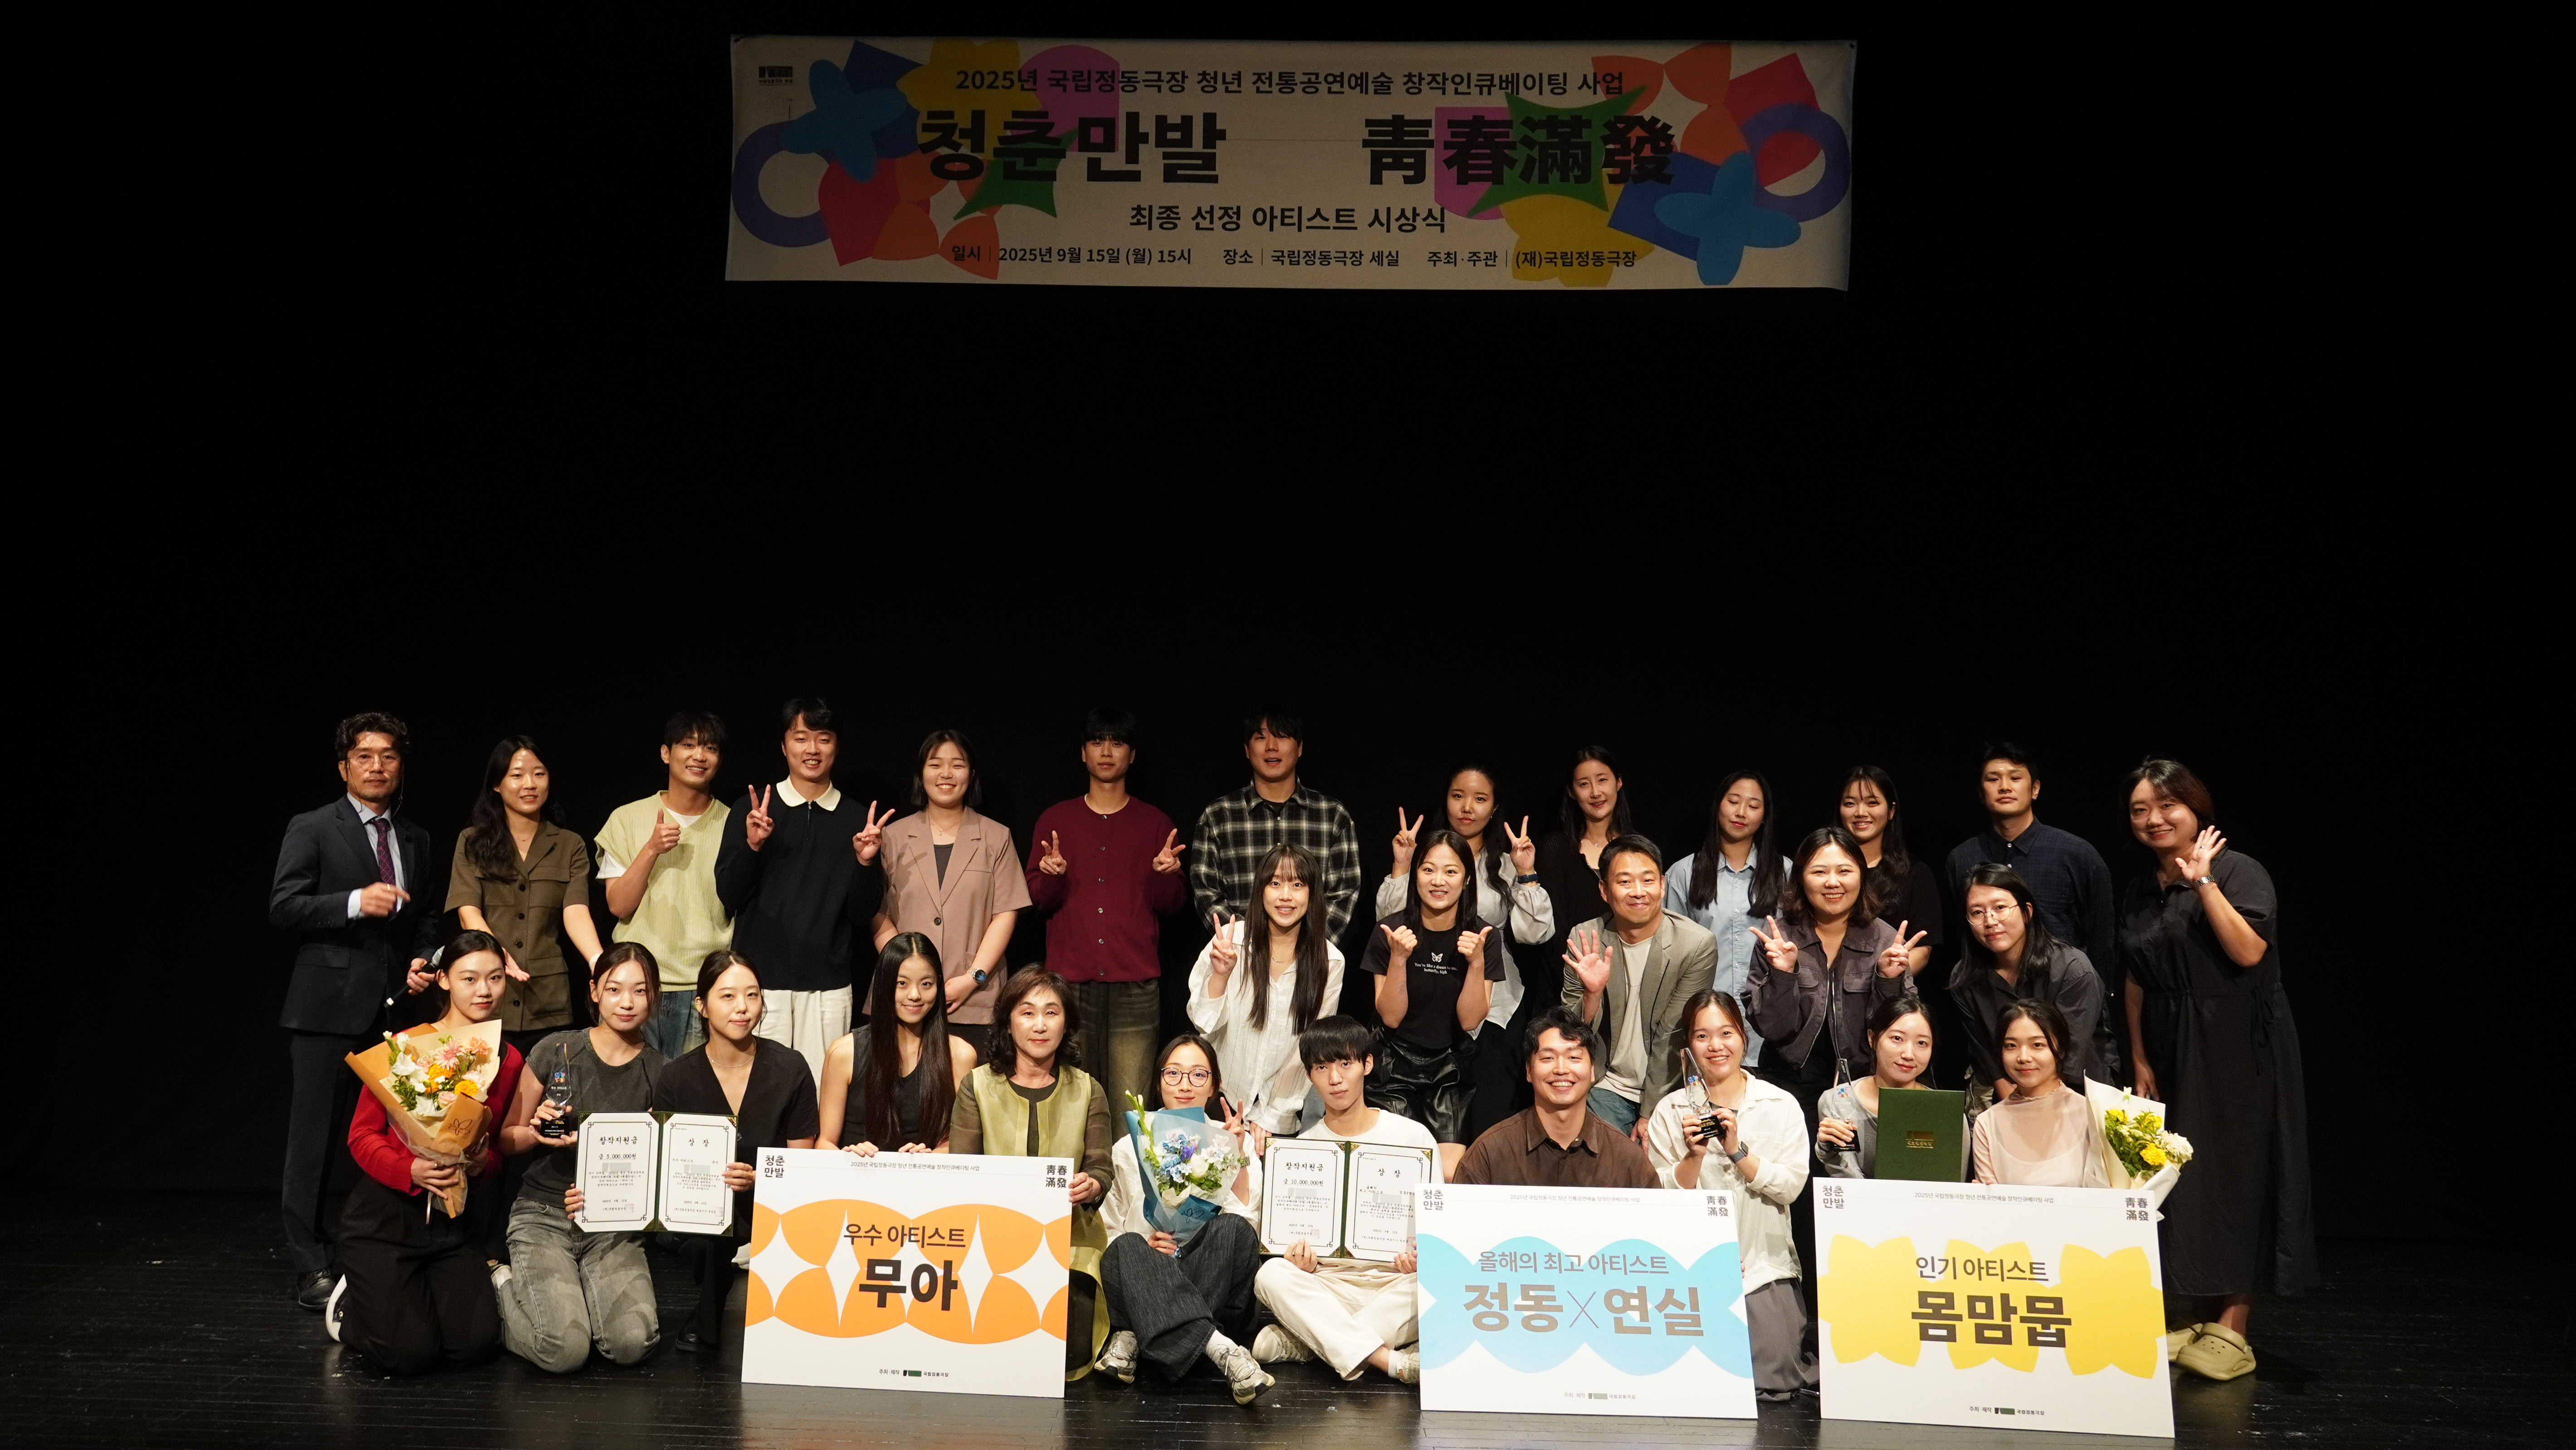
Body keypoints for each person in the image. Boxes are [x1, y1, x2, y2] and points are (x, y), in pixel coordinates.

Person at [2117, 758, 2316, 1382]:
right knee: (2189, 1177)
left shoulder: (2237, 870)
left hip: (2235, 1041)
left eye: (2165, 806)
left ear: (2195, 808)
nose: (2153, 819)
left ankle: (2233, 1325)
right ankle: (2200, 1315)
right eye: (2139, 810)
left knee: (2237, 1176)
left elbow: (2249, 951)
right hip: (2170, 1043)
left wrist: (2203, 882)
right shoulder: (2140, 886)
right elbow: (2134, 977)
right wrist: (2139, 1056)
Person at [270, 711, 443, 1310]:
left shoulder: (415, 838)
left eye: (388, 756)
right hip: (325, 1009)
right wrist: (351, 902)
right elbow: (283, 906)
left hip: (393, 1012)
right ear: (344, 767)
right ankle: (309, 1261)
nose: (377, 766)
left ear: (401, 766)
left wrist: (423, 959)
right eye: (364, 756)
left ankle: (380, 1244)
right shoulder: (314, 826)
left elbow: (425, 918)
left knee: (395, 1135)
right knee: (314, 1140)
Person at [322, 932, 525, 1374]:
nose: (484, 990)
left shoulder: (507, 1059)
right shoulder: (407, 1045)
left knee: (474, 1345)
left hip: (450, 1224)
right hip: (384, 1221)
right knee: (409, 1355)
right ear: (444, 980)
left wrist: (480, 1163)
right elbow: (361, 1135)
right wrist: (409, 1168)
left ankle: (411, 1301)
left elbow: (494, 1153)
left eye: (495, 978)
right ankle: (353, 1307)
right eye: (469, 978)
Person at [490, 943, 667, 1372]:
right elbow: (507, 1140)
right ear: (594, 992)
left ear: (654, 996)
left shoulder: (663, 1072)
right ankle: (500, 1285)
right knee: (563, 1350)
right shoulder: (558, 1049)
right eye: (614, 989)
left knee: (631, 1344)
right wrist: (536, 1133)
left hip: (613, 1224)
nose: (627, 1002)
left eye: (640, 991)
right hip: (544, 1214)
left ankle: (580, 1298)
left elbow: (662, 1174)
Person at [1641, 989, 1813, 1400]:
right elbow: (1659, 1199)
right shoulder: (1670, 1111)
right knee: (1685, 1384)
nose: (1715, 1046)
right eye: (1702, 1036)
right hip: (1688, 1270)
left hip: (1763, 1267)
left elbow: (1790, 1186)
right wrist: (1693, 1157)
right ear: (1688, 1047)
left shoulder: (1780, 1104)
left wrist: (1737, 1151)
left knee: (1773, 1385)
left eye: (1726, 1033)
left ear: (1743, 1038)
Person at [648, 950, 821, 1355]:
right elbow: (664, 1166)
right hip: (698, 1208)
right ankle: (711, 1308)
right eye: (727, 996)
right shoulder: (676, 1076)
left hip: (770, 1201)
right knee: (704, 1236)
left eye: (752, 995)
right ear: (701, 1006)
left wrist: (760, 1179)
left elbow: (802, 1163)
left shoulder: (790, 1068)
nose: (742, 1007)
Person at [1249, 1016, 1437, 1385]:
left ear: (1367, 1064)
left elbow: (1437, 1233)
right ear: (1309, 1075)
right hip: (1328, 1287)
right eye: (1321, 1068)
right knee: (1271, 1275)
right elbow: (1286, 1241)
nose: (1334, 1078)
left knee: (1436, 1282)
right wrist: (1299, 1261)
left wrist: (1420, 1257)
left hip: (1393, 1286)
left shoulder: (1414, 1138)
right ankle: (1388, 1361)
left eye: (1345, 1064)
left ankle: (1308, 1344)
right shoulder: (1299, 1152)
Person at [948, 967, 1115, 1378]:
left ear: (1066, 1023)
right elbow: (961, 1171)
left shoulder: (1088, 1089)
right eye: (1027, 1013)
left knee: (1066, 1356)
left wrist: (1092, 1184)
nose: (1039, 1025)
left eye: (1051, 1013)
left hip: (1068, 1241)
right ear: (1008, 1023)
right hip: (990, 1242)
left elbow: (1100, 1167)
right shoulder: (977, 1086)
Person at [713, 699, 893, 1079]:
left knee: (821, 1092)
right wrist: (753, 846)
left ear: (836, 746)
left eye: (823, 739)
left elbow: (861, 913)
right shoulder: (752, 810)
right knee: (759, 1091)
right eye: (801, 738)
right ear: (784, 746)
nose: (812, 749)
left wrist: (864, 863)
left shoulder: (857, 818)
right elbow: (729, 895)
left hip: (827, 987)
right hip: (759, 983)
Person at [1376, 764, 1554, 1142]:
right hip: (1423, 1000)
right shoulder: (1424, 858)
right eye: (1458, 796)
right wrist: (1403, 866)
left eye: (1480, 799)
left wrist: (1526, 872)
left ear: (1494, 808)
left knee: (1485, 1120)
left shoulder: (1504, 863)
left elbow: (1534, 934)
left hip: (1492, 1004)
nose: (1467, 807)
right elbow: (1388, 926)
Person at [1095, 1034, 1273, 1404]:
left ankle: (1136, 1336)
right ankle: (1219, 1348)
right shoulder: (1130, 1145)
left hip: (1209, 1279)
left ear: (1214, 1085)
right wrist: (1147, 1247)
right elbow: (1108, 1229)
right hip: (1148, 1268)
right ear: (1159, 1081)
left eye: (1198, 1075)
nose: (1185, 1085)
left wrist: (1236, 1158)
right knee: (1125, 1246)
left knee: (1234, 1229)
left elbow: (1250, 1230)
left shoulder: (1232, 1139)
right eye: (1173, 1073)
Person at [1025, 707, 1189, 1111]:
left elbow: (1172, 906)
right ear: (1083, 753)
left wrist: (1165, 876)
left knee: (1129, 1105)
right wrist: (1053, 876)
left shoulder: (1154, 822)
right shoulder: (1055, 819)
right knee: (1069, 1103)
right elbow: (1037, 900)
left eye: (1117, 743)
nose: (1106, 751)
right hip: (1068, 983)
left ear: (1131, 755)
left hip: (1134, 985)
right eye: (1097, 742)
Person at [1943, 743, 2121, 1075]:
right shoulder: (1962, 858)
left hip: (2070, 1007)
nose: (2005, 786)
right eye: (1993, 779)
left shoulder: (2076, 853)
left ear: (2035, 788)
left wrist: (2094, 998)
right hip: (1995, 1011)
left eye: (2015, 778)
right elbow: (1965, 935)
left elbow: (2101, 937)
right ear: (1980, 792)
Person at [1744, 827, 1921, 1120]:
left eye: (1844, 871)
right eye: (1819, 872)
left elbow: (1899, 1031)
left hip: (1862, 1084)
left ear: (1861, 876)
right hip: (1789, 1083)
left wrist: (1888, 980)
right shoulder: (1778, 938)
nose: (1832, 882)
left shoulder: (1885, 940)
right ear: (1801, 878)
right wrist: (1783, 975)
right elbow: (1772, 1029)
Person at [872, 728, 1031, 1045]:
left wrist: (973, 978)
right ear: (921, 775)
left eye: (957, 765)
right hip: (905, 998)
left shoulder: (996, 837)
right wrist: (906, 976)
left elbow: (1005, 913)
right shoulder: (891, 837)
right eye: (935, 764)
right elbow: (878, 913)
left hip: (976, 999)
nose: (946, 774)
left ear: (971, 775)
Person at [447, 736, 604, 1054]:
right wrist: (497, 957)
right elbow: (468, 911)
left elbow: (576, 911)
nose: (529, 784)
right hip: (487, 996)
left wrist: (600, 963)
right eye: (517, 775)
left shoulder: (569, 844)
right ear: (496, 784)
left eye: (539, 774)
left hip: (546, 997)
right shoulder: (472, 841)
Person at [595, 710, 734, 1058]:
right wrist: (651, 849)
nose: (699, 756)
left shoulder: (734, 824)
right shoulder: (626, 819)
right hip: (638, 984)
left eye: (710, 748)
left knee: (694, 1090)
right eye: (688, 745)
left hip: (706, 985)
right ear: (666, 753)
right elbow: (618, 905)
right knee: (632, 1085)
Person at [1557, 833, 1717, 1136]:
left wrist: (1649, 1113)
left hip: (1673, 1086)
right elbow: (1568, 1031)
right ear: (1604, 890)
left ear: (1663, 885)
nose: (1638, 892)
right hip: (1607, 1083)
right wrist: (1592, 994)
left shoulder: (1695, 945)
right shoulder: (1586, 939)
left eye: (1647, 880)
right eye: (1625, 882)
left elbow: (1672, 1034)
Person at [1187, 843, 1345, 1133]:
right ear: (1261, 890)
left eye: (1297, 885)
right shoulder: (1231, 942)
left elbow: (1309, 1046)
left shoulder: (1330, 961)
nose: (1286, 896)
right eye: (1275, 884)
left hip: (1278, 1115)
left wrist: (1272, 1117)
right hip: (1217, 1100)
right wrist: (1220, 975)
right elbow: (1203, 1023)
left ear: (1312, 894)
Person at [1359, 829, 1500, 1150]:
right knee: (1397, 1160)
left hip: (1450, 1067)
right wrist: (1398, 959)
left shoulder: (1483, 937)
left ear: (1467, 879)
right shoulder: (1390, 931)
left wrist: (1476, 964)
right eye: (1428, 870)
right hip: (1393, 1063)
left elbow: (1470, 1021)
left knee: (1449, 1171)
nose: (1438, 881)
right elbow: (1391, 1017)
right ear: (1415, 875)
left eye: (1451, 872)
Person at [1187, 708, 1363, 942]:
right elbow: (1206, 892)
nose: (1271, 746)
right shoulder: (1218, 816)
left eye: (1282, 736)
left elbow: (1343, 892)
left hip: (1311, 956)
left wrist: (1303, 949)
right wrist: (1246, 945)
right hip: (1239, 956)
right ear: (1247, 750)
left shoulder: (1332, 816)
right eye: (1261, 738)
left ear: (1299, 748)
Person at [1950, 864, 2117, 1107]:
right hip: (2012, 1098)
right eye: (1977, 912)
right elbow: (1989, 1058)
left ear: (2027, 912)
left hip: (2079, 1096)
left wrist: (2032, 1113)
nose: (1990, 921)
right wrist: (2016, 1111)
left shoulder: (2072, 969)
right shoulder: (1965, 978)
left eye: (2000, 908)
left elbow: (2067, 1060)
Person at [1450, 1006, 1657, 1188]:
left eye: (1573, 1057)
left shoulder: (1628, 1160)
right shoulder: (1491, 1153)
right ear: (1529, 1071)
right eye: (1548, 1058)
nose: (1561, 1069)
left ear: (1593, 1071)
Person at [1664, 769, 1786, 1069]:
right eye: (1733, 801)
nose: (1741, 812)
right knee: (1708, 1102)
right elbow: (1671, 955)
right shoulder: (1684, 873)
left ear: (1765, 816)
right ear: (1718, 804)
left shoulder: (1785, 873)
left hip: (1767, 1030)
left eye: (1753, 805)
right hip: (1706, 1031)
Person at [816, 934, 975, 1152]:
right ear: (884, 984)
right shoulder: (844, 1053)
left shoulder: (960, 1054)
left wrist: (934, 1156)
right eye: (902, 983)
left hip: (926, 1172)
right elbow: (824, 1143)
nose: (915, 995)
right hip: (860, 1170)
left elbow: (960, 1144)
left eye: (926, 984)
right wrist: (849, 1156)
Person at [1969, 1000, 2106, 1189]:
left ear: (2061, 1051)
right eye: (2011, 1046)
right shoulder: (1988, 1123)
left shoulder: (2092, 1115)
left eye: (2037, 1045)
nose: (2024, 1057)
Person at [1815, 995, 1944, 1178]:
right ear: (1872, 1039)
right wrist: (1826, 1147)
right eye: (1897, 1038)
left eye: (1922, 1043)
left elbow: (1950, 1183)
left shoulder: (1944, 1112)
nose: (1909, 1054)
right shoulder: (1839, 1100)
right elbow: (1846, 1175)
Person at [1530, 746, 1631, 969]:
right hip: (1570, 974)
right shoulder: (1556, 847)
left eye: (1602, 780)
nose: (1595, 793)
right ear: (1571, 792)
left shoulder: (1636, 848)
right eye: (1584, 784)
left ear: (1618, 782)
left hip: (1629, 973)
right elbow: (1555, 928)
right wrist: (1578, 974)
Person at [1838, 766, 1941, 975]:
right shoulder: (1824, 871)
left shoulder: (1916, 873)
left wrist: (1887, 979)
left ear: (1891, 811)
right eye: (1850, 803)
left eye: (1872, 803)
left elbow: (1922, 949)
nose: (1860, 812)